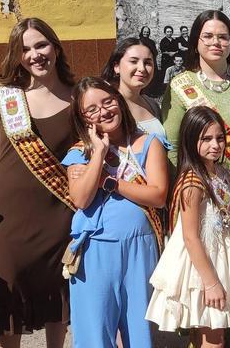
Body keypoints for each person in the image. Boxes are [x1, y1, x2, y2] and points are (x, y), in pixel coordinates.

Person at [0, 18, 75, 347]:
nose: (35, 54)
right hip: (7, 215)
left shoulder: (77, 96)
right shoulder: (6, 94)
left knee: (57, 291)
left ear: (56, 46)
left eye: (41, 45)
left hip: (58, 212)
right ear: (16, 55)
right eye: (25, 49)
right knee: (6, 290)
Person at [62, 77, 168, 348]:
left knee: (139, 332)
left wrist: (111, 183)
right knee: (94, 333)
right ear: (83, 118)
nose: (104, 111)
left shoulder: (148, 143)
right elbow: (82, 198)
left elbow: (157, 195)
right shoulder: (80, 153)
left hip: (140, 249)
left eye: (108, 101)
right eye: (92, 109)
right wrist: (98, 152)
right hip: (95, 249)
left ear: (119, 101)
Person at [146, 106, 230, 346]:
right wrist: (211, 282)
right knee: (214, 336)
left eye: (219, 138)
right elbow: (190, 237)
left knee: (210, 331)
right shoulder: (192, 182)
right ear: (190, 139)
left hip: (220, 255)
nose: (215, 145)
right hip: (202, 264)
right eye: (206, 139)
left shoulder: (220, 171)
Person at [162, 10, 230, 171]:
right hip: (201, 191)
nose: (216, 42)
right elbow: (172, 149)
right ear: (195, 43)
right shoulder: (180, 85)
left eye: (222, 37)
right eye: (207, 36)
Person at [101, 37, 165, 138]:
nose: (142, 69)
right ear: (116, 66)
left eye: (147, 63)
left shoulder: (152, 105)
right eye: (133, 61)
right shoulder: (107, 108)